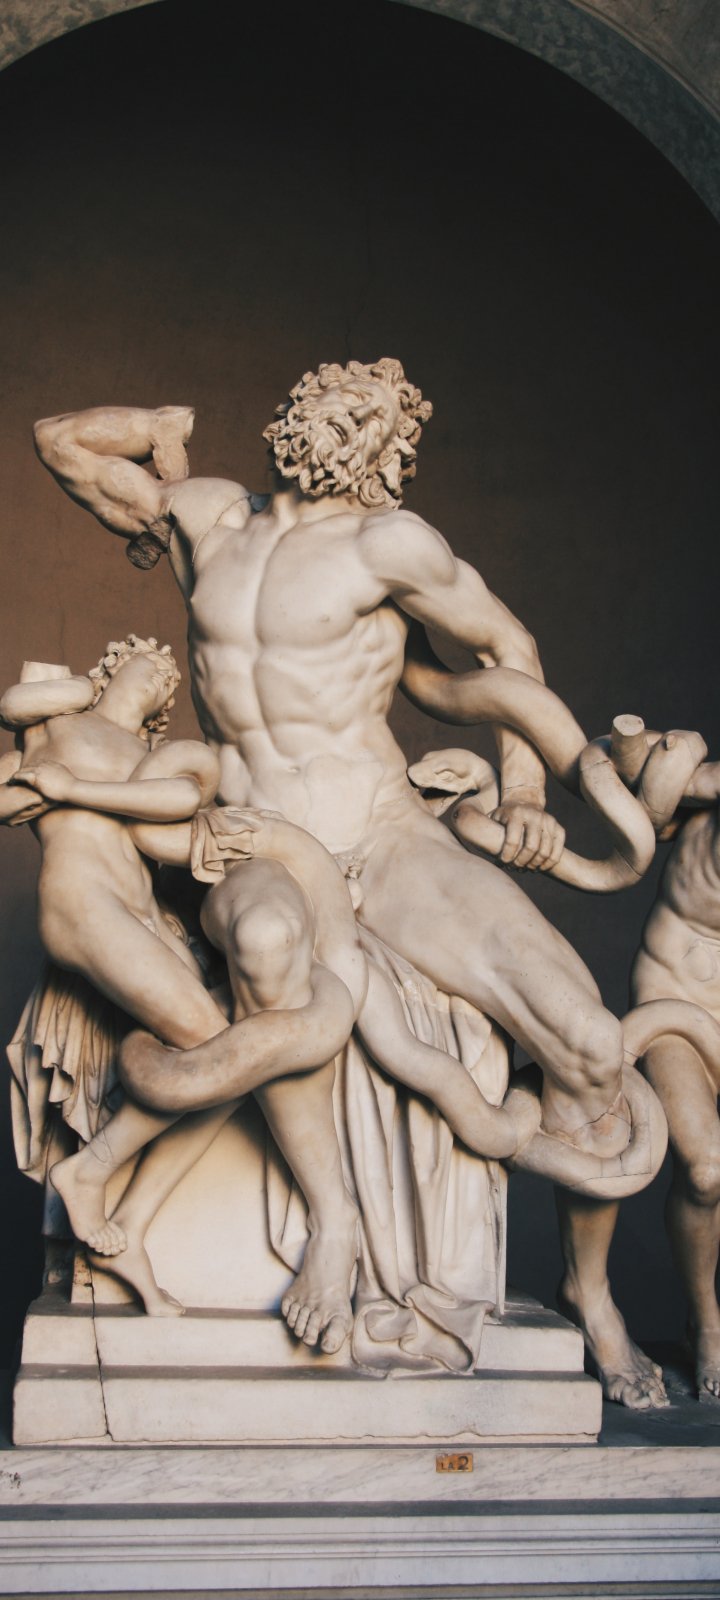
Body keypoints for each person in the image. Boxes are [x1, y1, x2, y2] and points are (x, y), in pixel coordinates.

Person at [32, 360, 652, 1339]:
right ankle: (334, 1222)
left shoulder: (389, 542)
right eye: (326, 397)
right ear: (292, 412)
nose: (338, 416)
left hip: (385, 830)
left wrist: (527, 789)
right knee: (268, 945)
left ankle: (593, 1292)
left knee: (589, 1037)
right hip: (257, 836)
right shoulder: (207, 516)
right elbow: (62, 443)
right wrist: (155, 425)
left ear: (390, 447)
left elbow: (508, 647)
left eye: (365, 411)